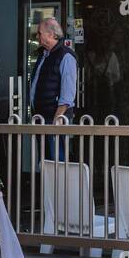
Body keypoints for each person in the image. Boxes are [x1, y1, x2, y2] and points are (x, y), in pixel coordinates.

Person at [29, 17, 77, 160]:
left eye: (39, 33)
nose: (37, 36)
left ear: (50, 34)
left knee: (56, 161)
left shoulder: (65, 55)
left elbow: (67, 93)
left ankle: (58, 183)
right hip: (41, 117)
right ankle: (47, 183)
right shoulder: (43, 55)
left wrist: (58, 119)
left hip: (54, 119)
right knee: (45, 161)